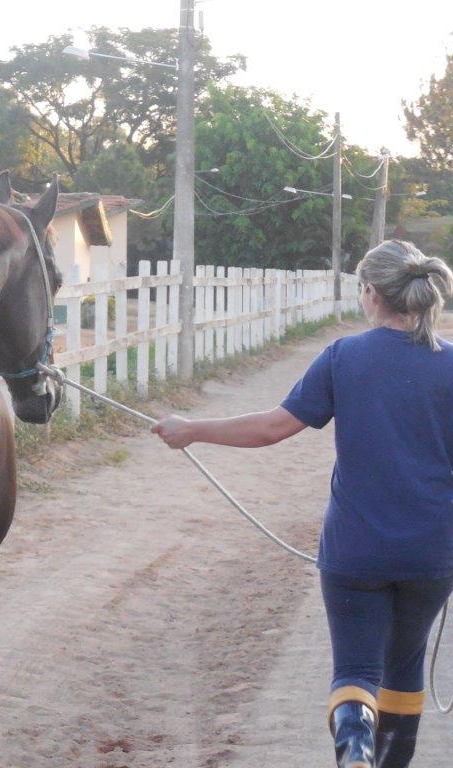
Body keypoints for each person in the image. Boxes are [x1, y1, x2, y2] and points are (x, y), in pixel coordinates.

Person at [152, 240, 453, 768]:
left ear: (370, 294)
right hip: (432, 552)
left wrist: (192, 429)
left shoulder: (343, 357)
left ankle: (354, 748)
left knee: (356, 670)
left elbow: (272, 429)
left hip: (355, 551)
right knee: (403, 665)